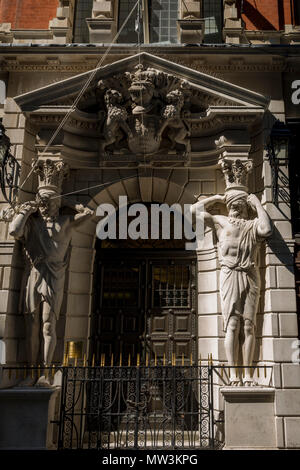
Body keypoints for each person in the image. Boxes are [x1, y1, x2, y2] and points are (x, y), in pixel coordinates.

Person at [9, 189, 94, 386]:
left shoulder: (65, 222)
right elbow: (14, 231)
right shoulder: (31, 223)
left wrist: (66, 200)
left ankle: (46, 374)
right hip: (34, 274)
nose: (46, 205)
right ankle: (31, 372)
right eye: (43, 201)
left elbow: (89, 213)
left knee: (48, 325)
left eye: (50, 201)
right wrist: (25, 211)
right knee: (31, 326)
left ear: (57, 204)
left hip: (54, 275)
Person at [191, 190, 272, 385]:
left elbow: (267, 230)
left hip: (250, 274)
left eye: (239, 202)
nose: (234, 205)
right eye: (232, 202)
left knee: (249, 326)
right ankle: (234, 375)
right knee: (232, 325)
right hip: (229, 275)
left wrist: (258, 205)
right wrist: (216, 199)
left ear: (246, 206)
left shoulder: (253, 225)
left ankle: (248, 375)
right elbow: (193, 211)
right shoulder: (221, 221)